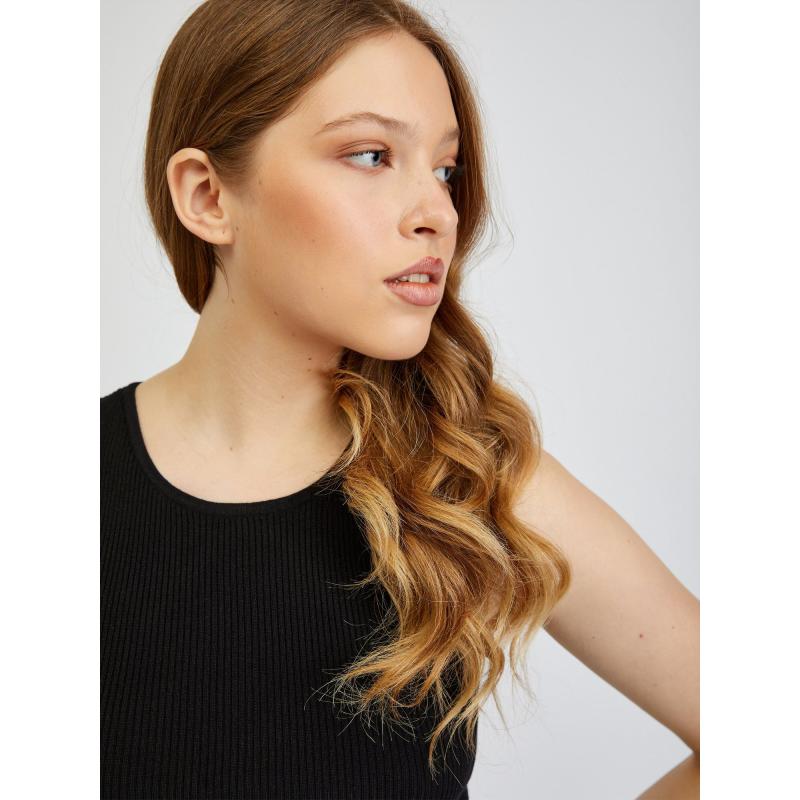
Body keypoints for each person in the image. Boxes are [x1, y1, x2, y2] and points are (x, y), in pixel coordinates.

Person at [101, 1, 700, 798]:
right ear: (208, 196)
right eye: (371, 154)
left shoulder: (470, 479)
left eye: (445, 170)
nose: (438, 214)